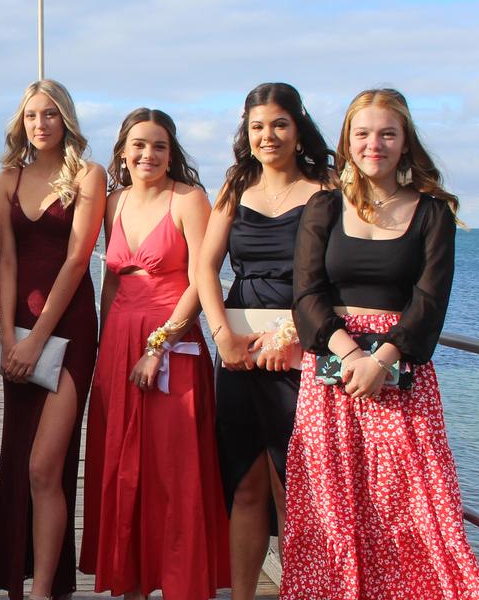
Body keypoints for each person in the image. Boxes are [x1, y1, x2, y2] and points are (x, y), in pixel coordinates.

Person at [284, 88, 479, 600]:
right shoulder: (323, 207)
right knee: (332, 508)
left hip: (400, 382)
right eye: (363, 133)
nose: (374, 143)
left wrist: (382, 360)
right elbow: (306, 293)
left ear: (404, 142)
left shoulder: (433, 212)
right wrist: (351, 354)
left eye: (387, 133)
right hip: (332, 376)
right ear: (347, 142)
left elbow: (429, 302)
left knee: (411, 507)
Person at [80, 108, 225, 599]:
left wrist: (158, 345)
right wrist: (104, 349)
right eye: (138, 145)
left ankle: (181, 583)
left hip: (171, 340)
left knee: (173, 467)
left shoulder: (188, 199)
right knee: (123, 464)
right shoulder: (112, 202)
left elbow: (201, 281)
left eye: (159, 146)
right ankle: (134, 582)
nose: (148, 154)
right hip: (119, 340)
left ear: (172, 152)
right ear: (123, 150)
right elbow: (112, 282)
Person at [195, 83, 332, 600]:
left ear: (298, 129)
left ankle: (303, 589)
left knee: (291, 486)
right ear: (245, 133)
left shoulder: (326, 187)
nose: (267, 135)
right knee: (245, 484)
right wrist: (222, 337)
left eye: (278, 124)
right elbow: (205, 267)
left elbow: (330, 276)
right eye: (257, 126)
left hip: (299, 354)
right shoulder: (236, 184)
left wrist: (293, 333)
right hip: (238, 354)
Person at [0, 79, 106, 600]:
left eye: (51, 114)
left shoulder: (87, 175)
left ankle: (46, 592)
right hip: (17, 325)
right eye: (32, 115)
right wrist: (8, 332)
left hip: (71, 327)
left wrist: (38, 338)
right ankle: (22, 580)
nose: (41, 124)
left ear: (66, 121)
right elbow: (5, 258)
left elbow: (79, 260)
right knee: (19, 456)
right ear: (21, 122)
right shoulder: (6, 179)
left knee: (44, 465)